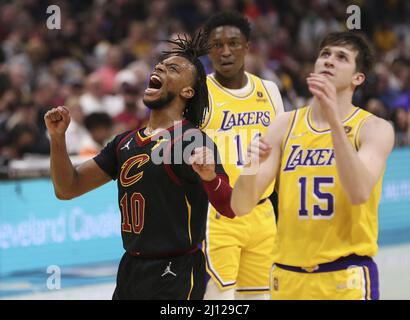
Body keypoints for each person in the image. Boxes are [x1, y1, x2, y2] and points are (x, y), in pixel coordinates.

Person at [44, 31, 235, 300]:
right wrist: (57, 139)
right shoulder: (124, 142)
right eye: (160, 65)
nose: (159, 67)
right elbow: (67, 188)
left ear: (187, 91)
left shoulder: (191, 140)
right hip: (131, 269)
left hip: (176, 273)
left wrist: (209, 177)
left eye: (173, 68)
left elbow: (230, 207)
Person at [231, 31, 395, 300]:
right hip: (287, 277)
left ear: (358, 78)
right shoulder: (284, 125)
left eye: (341, 57)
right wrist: (249, 166)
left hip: (345, 276)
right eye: (325, 54)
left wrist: (333, 119)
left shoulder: (375, 129)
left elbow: (359, 192)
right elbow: (241, 206)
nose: (329, 61)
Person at [201, 12, 284, 300]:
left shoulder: (269, 89)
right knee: (218, 299)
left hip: (262, 213)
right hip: (217, 215)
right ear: (208, 50)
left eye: (233, 43)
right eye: (217, 45)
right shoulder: (199, 93)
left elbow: (279, 150)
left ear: (247, 46)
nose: (225, 51)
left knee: (259, 297)